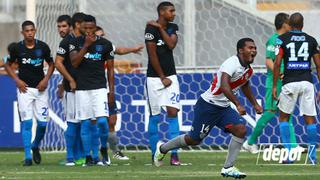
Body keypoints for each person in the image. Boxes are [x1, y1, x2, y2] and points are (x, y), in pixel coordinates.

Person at [154, 38, 262, 179]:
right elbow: (224, 86)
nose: (254, 50)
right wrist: (238, 104)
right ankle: (162, 148)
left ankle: (228, 167)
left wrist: (254, 103)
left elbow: (245, 84)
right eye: (250, 48)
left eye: (254, 48)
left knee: (240, 129)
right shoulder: (231, 63)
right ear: (241, 50)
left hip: (223, 108)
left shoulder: (248, 70)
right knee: (194, 140)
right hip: (208, 106)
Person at [243, 13, 299, 153]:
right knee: (269, 113)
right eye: (288, 22)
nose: (291, 25)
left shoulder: (287, 39)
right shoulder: (273, 40)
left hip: (286, 81)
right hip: (275, 81)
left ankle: (292, 146)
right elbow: (268, 60)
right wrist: (278, 73)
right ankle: (250, 142)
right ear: (283, 24)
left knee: (287, 113)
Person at [4, 20, 54, 166]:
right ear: (22, 32)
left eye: (32, 30)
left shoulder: (43, 47)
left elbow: (52, 64)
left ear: (35, 30)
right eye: (27, 31)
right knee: (27, 122)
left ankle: (35, 145)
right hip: (24, 90)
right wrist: (17, 80)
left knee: (43, 124)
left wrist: (46, 80)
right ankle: (27, 156)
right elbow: (7, 64)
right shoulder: (17, 48)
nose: (30, 33)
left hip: (41, 89)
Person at [273, 12, 320, 164]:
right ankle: (312, 157)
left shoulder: (281, 40)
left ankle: (289, 156)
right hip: (307, 82)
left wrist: (274, 85)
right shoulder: (312, 40)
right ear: (302, 24)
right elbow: (318, 65)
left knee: (283, 118)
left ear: (289, 24)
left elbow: (277, 62)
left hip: (289, 82)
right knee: (310, 120)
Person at [70, 14, 115, 166]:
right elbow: (75, 63)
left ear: (96, 28)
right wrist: (86, 46)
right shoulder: (75, 43)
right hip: (82, 89)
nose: (88, 31)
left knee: (102, 122)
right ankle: (88, 156)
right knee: (85, 124)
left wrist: (111, 91)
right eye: (86, 28)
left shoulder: (106, 44)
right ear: (81, 28)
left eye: (91, 28)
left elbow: (110, 70)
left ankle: (103, 148)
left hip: (100, 88)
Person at [95, 26, 144, 161]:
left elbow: (119, 50)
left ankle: (115, 151)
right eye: (100, 35)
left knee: (112, 120)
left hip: (107, 89)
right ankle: (94, 152)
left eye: (103, 34)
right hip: (93, 89)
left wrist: (132, 49)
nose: (103, 37)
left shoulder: (106, 47)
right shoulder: (88, 49)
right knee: (96, 122)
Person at [144, 1, 181, 165]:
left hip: (171, 77)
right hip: (154, 79)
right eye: (171, 11)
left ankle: (174, 154)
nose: (174, 13)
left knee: (173, 113)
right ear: (162, 12)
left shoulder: (171, 27)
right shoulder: (149, 29)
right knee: (155, 116)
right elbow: (152, 55)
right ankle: (154, 154)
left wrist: (160, 27)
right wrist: (161, 77)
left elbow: (171, 44)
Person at [55, 13, 86, 166]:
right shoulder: (67, 42)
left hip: (86, 87)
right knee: (74, 122)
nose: (61, 29)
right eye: (59, 26)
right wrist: (68, 81)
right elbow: (59, 64)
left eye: (64, 26)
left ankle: (82, 155)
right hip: (73, 89)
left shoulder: (82, 40)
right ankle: (72, 156)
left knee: (83, 123)